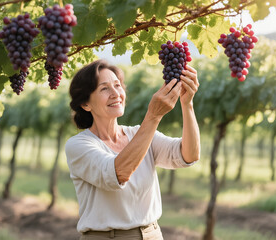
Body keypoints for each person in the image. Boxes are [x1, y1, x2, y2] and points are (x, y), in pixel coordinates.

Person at [65, 59, 200, 240]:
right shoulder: (78, 145)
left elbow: (189, 155)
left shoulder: (138, 133)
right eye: (104, 88)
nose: (116, 93)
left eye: (118, 85)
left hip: (152, 234)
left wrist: (187, 104)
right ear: (85, 104)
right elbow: (117, 173)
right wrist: (153, 116)